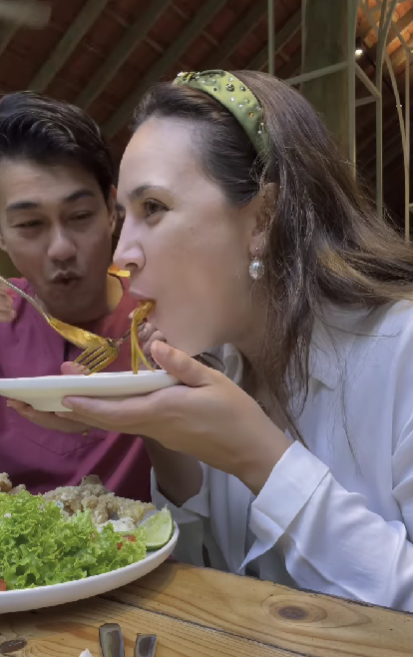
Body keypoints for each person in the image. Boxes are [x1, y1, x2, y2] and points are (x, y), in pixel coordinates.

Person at [58, 69, 413, 611]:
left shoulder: (401, 351)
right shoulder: (220, 365)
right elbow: (209, 589)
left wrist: (260, 458)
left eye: (153, 208)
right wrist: (160, 432)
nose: (121, 256)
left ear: (263, 219)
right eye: (123, 218)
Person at [0, 91, 151, 500]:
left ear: (111, 210)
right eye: (30, 224)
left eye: (79, 216)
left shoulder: (163, 316)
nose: (60, 248)